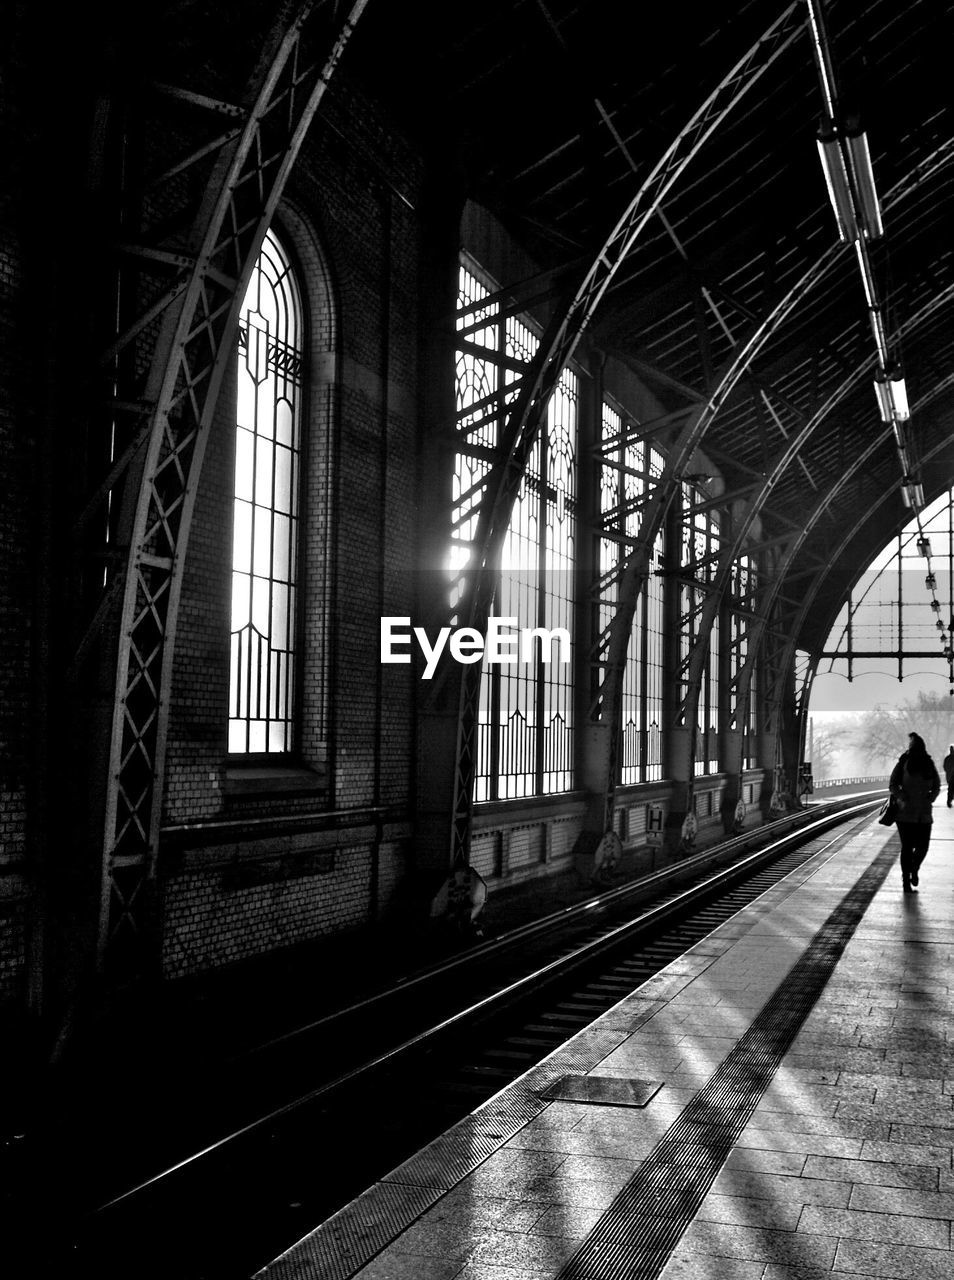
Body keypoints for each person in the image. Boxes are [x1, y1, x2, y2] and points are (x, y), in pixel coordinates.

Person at [889, 732, 941, 893]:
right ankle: (906, 880)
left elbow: (937, 785)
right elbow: (893, 784)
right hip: (906, 813)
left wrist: (930, 797)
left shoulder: (928, 763)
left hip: (923, 813)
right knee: (907, 847)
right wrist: (902, 796)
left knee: (922, 847)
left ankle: (914, 868)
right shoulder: (904, 761)